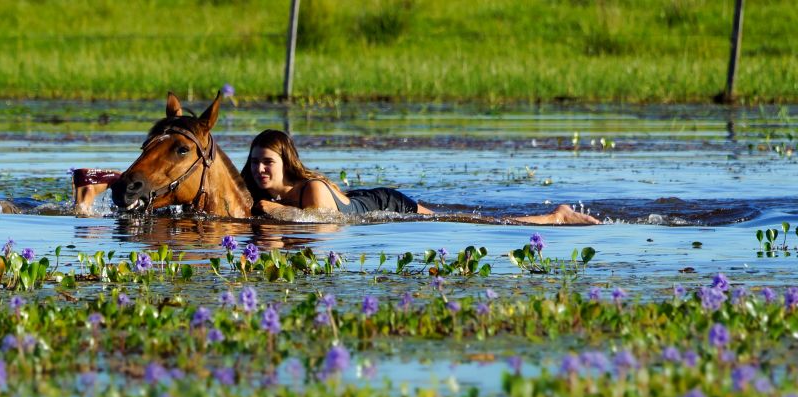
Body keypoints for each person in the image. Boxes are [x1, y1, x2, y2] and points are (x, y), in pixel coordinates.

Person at [242, 129, 600, 225]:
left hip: (386, 203)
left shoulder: (312, 189)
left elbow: (325, 225)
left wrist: (279, 212)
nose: (260, 169)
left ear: (285, 162)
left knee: (472, 223)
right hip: (360, 199)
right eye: (255, 162)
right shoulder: (264, 193)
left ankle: (556, 216)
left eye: (267, 162)